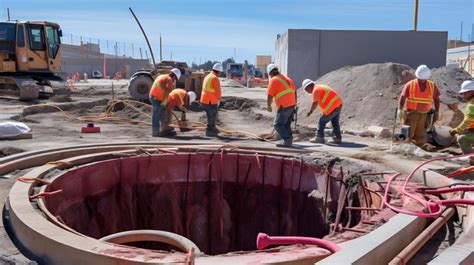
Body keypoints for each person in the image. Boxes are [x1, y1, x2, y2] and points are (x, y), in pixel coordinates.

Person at [398, 65, 440, 146]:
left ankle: (418, 148)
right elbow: (402, 97)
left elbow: (437, 99)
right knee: (407, 133)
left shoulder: (432, 85)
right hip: (412, 114)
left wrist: (437, 111)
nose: (422, 81)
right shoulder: (410, 84)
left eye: (424, 79)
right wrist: (400, 109)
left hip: (424, 114)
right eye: (420, 79)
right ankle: (403, 148)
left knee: (420, 135)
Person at [301, 79, 343, 144]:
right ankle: (337, 138)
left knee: (321, 121)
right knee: (335, 122)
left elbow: (315, 103)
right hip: (338, 104)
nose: (307, 91)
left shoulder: (315, 90)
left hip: (332, 107)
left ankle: (319, 138)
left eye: (306, 89)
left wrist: (310, 112)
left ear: (309, 86)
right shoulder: (320, 86)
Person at [266, 63, 296, 147]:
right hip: (292, 104)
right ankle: (288, 140)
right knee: (286, 124)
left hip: (284, 105)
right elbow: (294, 92)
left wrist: (268, 105)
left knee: (278, 124)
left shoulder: (274, 80)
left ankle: (287, 140)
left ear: (270, 73)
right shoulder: (288, 79)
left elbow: (270, 95)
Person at [149, 68, 181, 137]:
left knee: (160, 112)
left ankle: (164, 128)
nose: (174, 81)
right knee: (157, 113)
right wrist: (165, 102)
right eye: (175, 79)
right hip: (156, 97)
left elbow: (163, 89)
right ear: (174, 76)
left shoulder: (162, 76)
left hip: (153, 96)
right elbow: (168, 92)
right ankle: (155, 131)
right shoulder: (169, 79)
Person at [450, 80, 474, 165]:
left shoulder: (472, 104)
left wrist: (456, 130)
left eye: (465, 93)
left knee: (461, 138)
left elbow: (467, 122)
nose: (463, 95)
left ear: (471, 91)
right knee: (468, 132)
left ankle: (471, 159)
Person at [201, 63, 223, 136]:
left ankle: (212, 128)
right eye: (220, 72)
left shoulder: (208, 76)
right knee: (213, 115)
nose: (220, 74)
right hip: (210, 100)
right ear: (218, 71)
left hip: (204, 100)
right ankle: (210, 130)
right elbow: (218, 91)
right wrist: (219, 99)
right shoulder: (214, 78)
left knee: (210, 115)